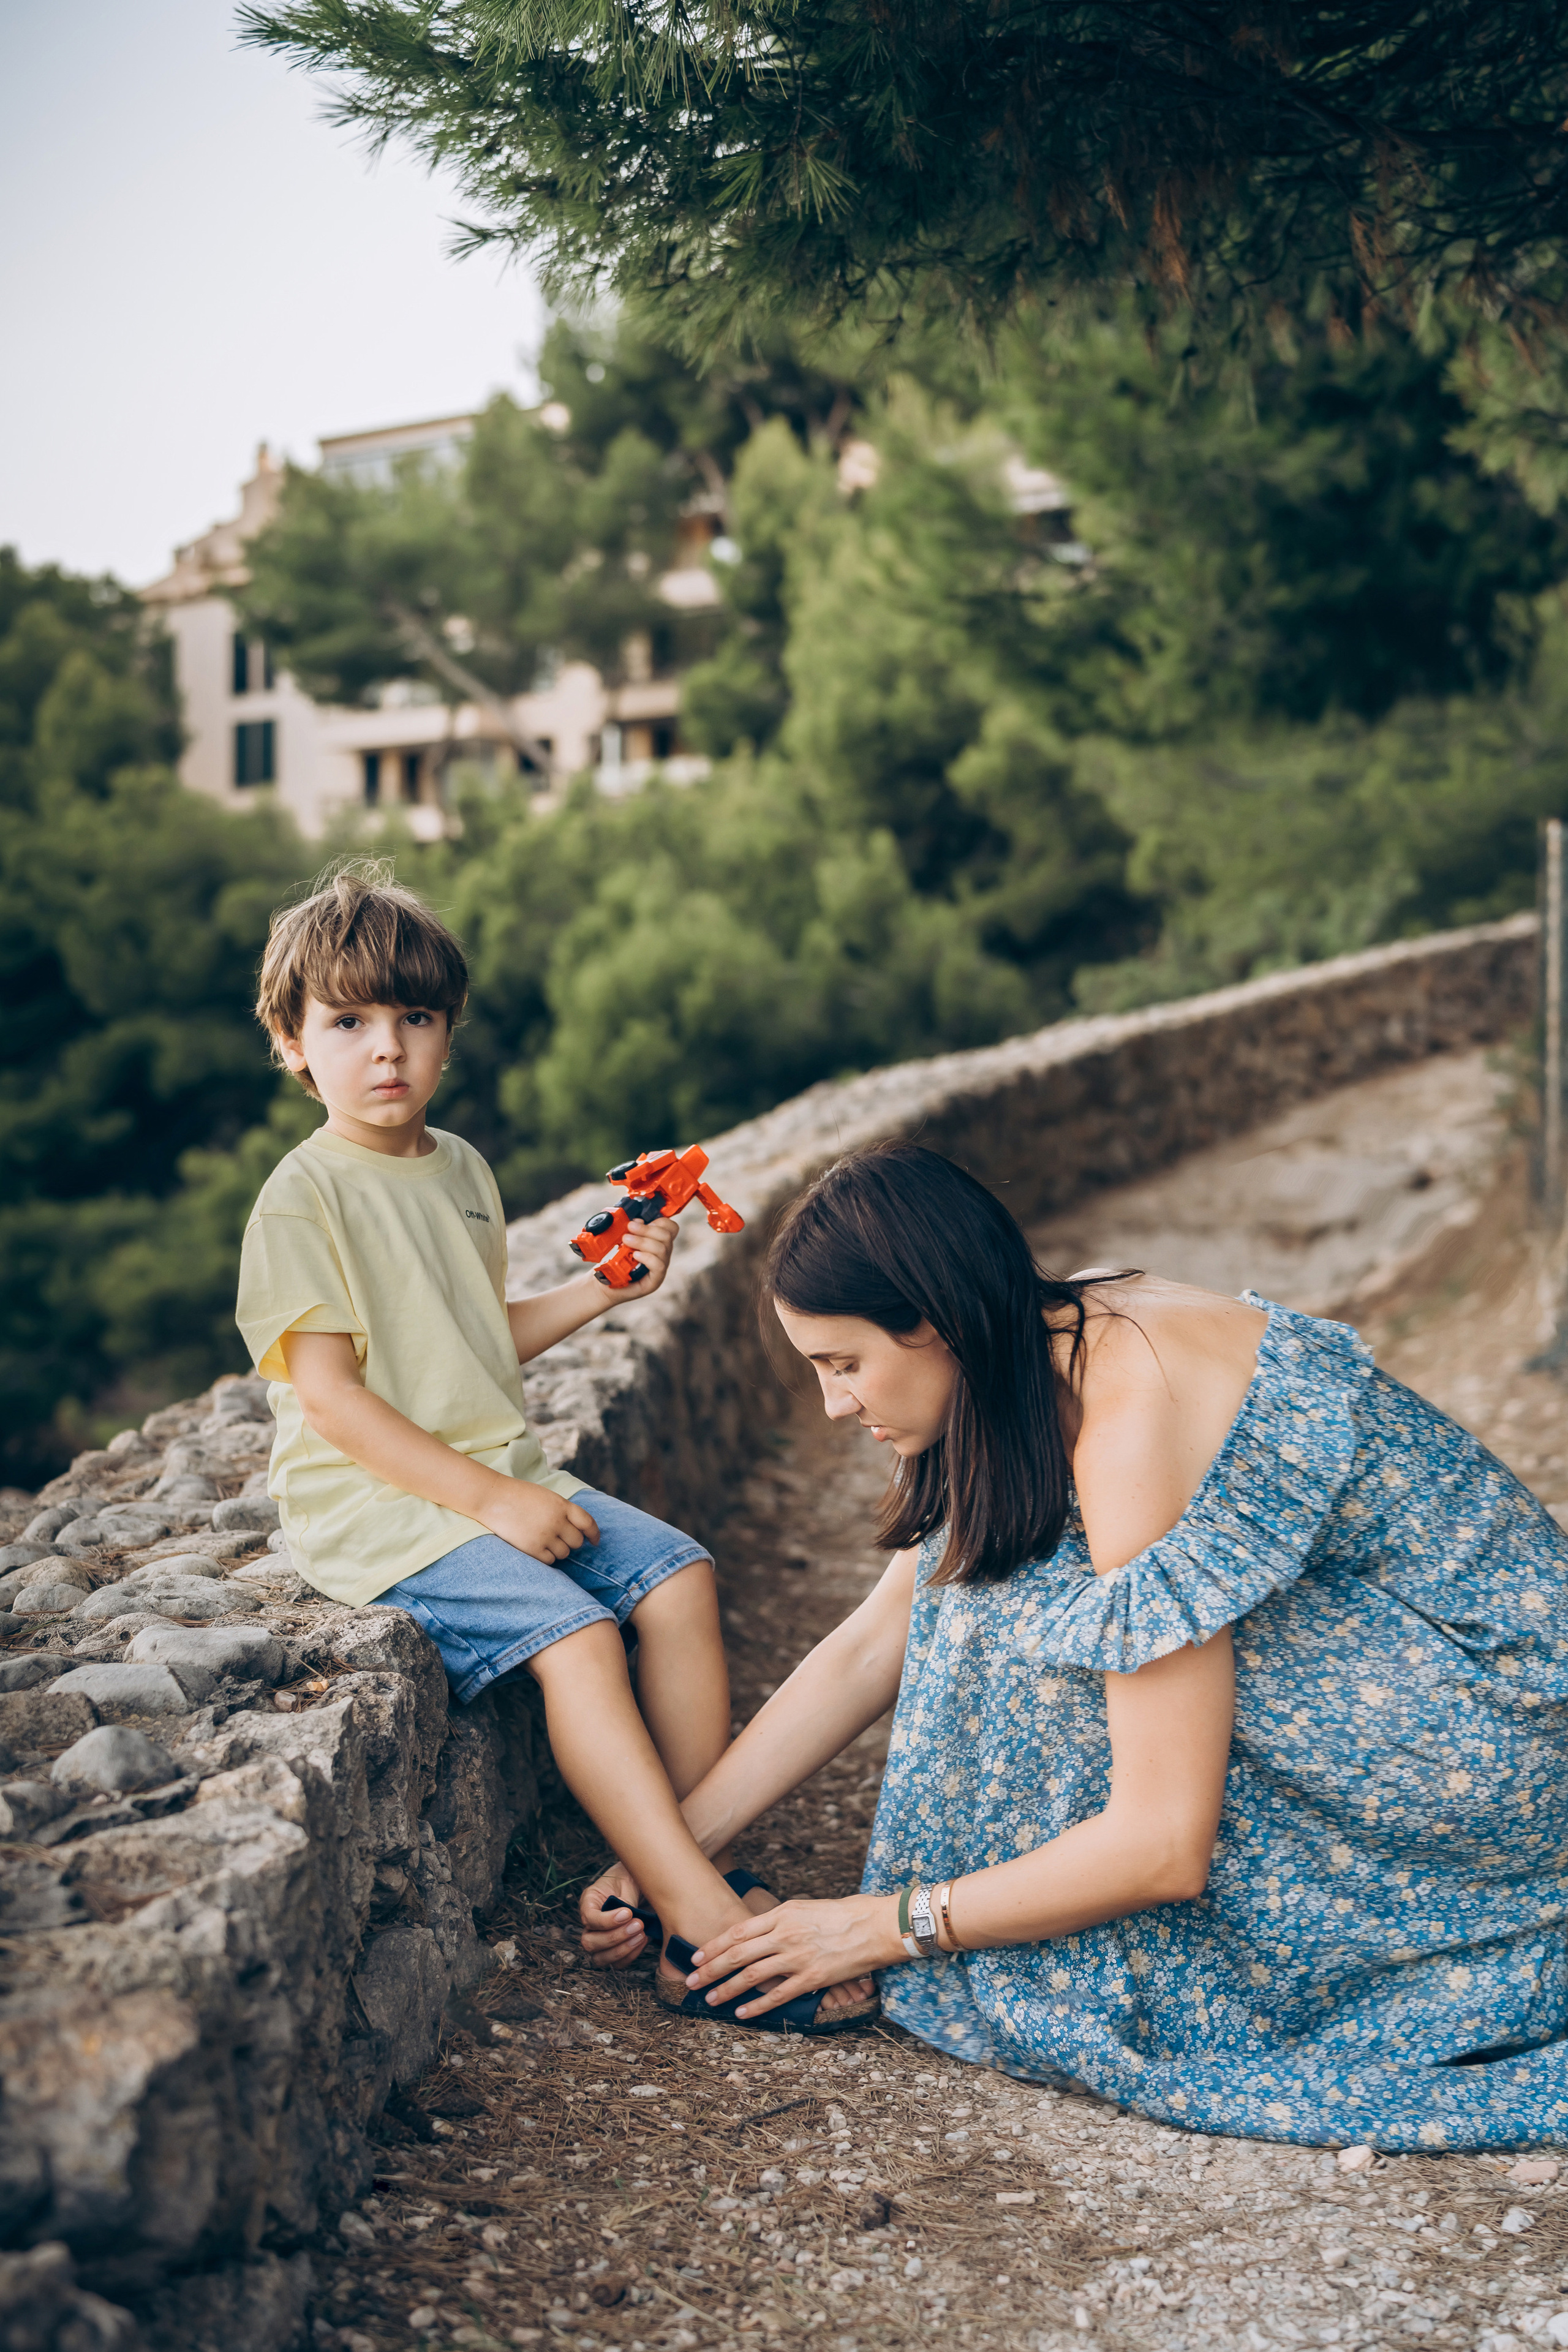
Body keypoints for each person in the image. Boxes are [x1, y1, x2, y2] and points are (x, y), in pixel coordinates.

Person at [583, 1138, 1568, 2149]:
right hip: (1432, 1683)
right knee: (984, 1585)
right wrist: (672, 1851)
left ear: (937, 1325)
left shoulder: (1135, 1416)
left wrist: (878, 1927)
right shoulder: (1041, 1334)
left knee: (1030, 1630)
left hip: (1503, 1728)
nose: (838, 1404)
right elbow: (882, 1632)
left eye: (844, 1365)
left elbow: (1165, 1843)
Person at [236, 864, 872, 2032]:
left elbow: (479, 1338)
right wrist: (488, 1501)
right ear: (293, 1043)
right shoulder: (302, 1199)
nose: (387, 1050)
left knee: (677, 1574)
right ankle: (708, 1928)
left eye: (414, 1020)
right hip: (379, 1504)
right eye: (349, 1023)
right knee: (577, 1639)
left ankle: (681, 1861)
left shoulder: (461, 1169)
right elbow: (330, 1399)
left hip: (497, 1476)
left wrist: (599, 1293)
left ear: (448, 1034)